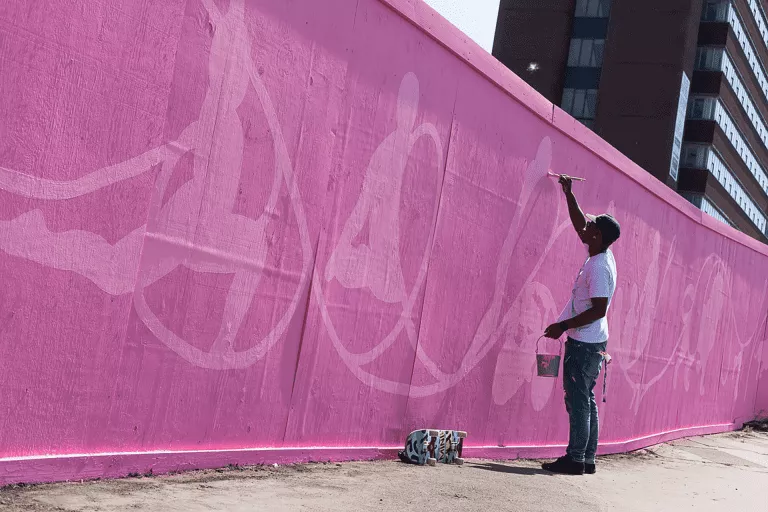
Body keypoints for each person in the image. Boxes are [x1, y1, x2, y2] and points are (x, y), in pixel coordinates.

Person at [541, 175, 620, 476]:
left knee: (578, 400)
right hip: (593, 341)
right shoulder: (602, 253)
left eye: (590, 226)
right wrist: (568, 193)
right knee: (586, 398)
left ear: (597, 235)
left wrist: (563, 326)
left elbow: (598, 310)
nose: (584, 228)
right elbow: (579, 225)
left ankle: (575, 459)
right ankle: (586, 459)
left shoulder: (598, 267)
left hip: (585, 343)